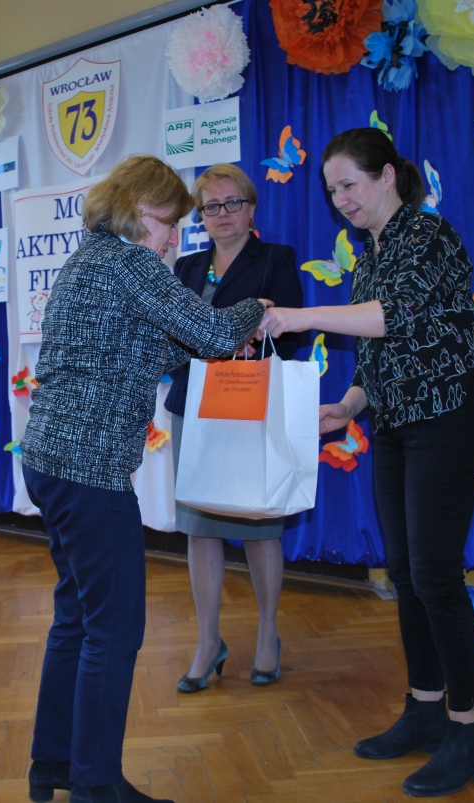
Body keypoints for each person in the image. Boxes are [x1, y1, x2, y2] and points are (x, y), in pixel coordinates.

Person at [20, 155, 267, 803]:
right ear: (136, 210)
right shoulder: (130, 265)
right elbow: (212, 330)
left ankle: (54, 763)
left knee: (77, 617)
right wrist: (259, 309)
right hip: (90, 472)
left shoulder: (88, 261)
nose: (174, 238)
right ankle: (96, 783)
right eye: (168, 222)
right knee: (115, 628)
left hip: (49, 463)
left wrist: (219, 337)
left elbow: (156, 346)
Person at [259, 128, 474, 798]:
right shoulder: (370, 255)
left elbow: (395, 315)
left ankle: (468, 733)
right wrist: (349, 405)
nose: (340, 199)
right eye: (331, 190)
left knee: (437, 575)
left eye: (349, 184)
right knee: (406, 573)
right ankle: (425, 709)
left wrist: (298, 315)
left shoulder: (427, 234)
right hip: (395, 423)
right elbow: (379, 352)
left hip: (447, 416)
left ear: (387, 175)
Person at [164, 163, 304, 692]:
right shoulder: (186, 266)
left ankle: (268, 636)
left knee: (259, 527)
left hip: (250, 405)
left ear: (251, 208)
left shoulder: (276, 259)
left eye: (232, 203)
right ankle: (208, 643)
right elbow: (173, 335)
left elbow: (290, 334)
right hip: (193, 406)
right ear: (200, 215)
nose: (222, 214)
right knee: (200, 528)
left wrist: (242, 338)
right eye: (211, 206)